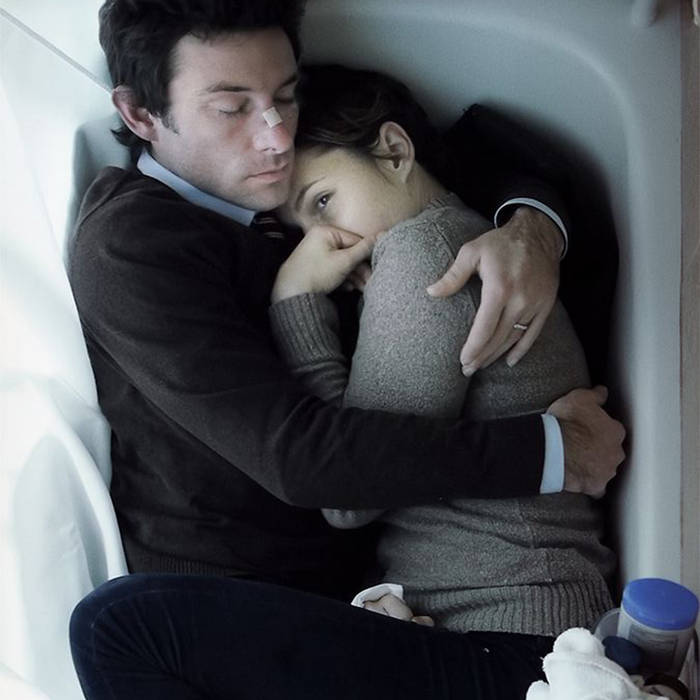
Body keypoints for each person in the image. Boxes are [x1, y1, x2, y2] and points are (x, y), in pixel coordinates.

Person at [68, 1, 625, 698]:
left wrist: (531, 227)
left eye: (285, 96)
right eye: (232, 108)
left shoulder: (310, 186)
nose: (276, 136)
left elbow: (461, 164)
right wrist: (551, 450)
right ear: (141, 114)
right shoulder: (134, 245)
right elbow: (304, 462)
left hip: (389, 596)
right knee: (114, 626)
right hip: (244, 590)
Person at [270, 63, 616, 641]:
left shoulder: (424, 255)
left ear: (395, 151)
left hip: (509, 611)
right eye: (299, 230)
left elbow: (345, 491)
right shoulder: (450, 238)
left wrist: (295, 302)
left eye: (323, 202)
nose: (322, 244)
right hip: (506, 599)